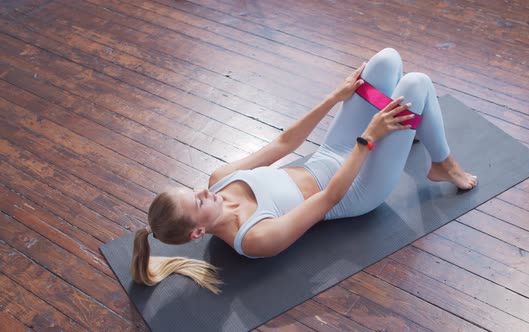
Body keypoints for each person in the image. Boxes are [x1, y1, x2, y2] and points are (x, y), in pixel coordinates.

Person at [130, 48, 477, 294]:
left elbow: (283, 145)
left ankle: (409, 130)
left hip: (330, 155)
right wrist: (369, 137)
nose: (204, 191)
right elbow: (330, 197)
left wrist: (335, 97)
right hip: (358, 189)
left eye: (193, 191)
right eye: (199, 202)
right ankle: (442, 163)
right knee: (416, 84)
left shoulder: (221, 181)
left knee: (386, 61)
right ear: (197, 232)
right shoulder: (254, 238)